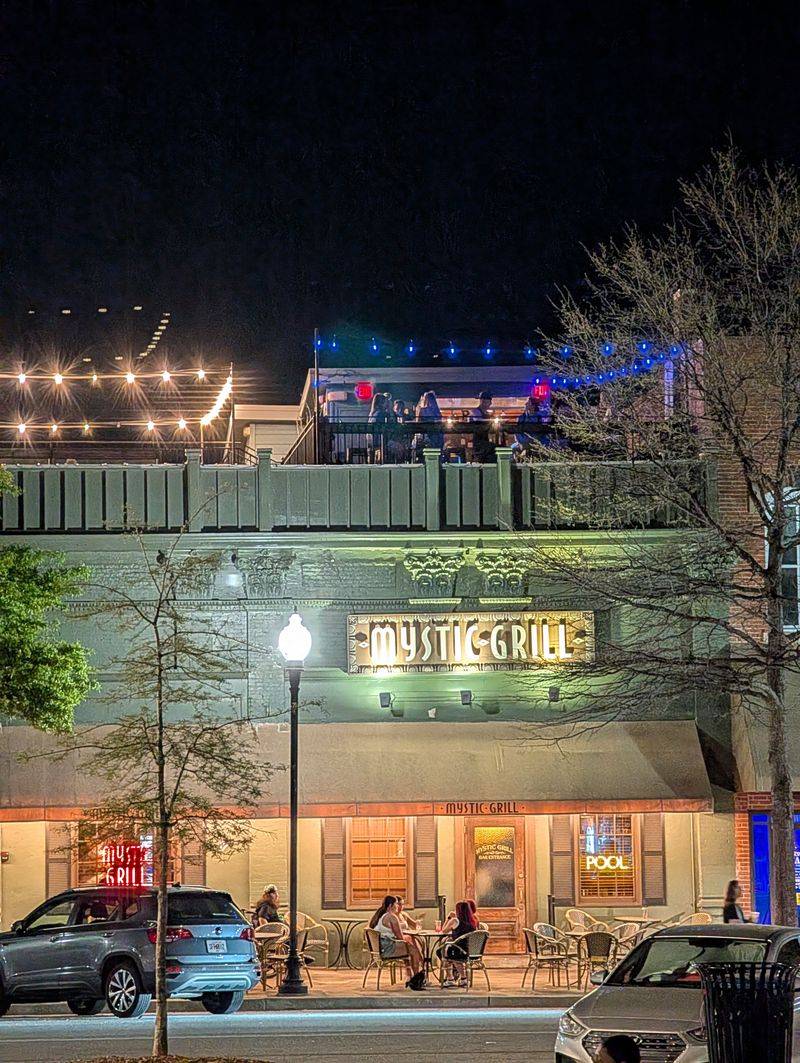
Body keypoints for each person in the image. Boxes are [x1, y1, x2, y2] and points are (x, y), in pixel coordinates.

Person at [370, 895, 425, 989]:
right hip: (387, 948)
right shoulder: (392, 917)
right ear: (391, 905)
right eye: (396, 904)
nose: (398, 906)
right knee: (414, 950)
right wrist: (409, 940)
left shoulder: (383, 916)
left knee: (411, 944)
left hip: (382, 947)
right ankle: (416, 979)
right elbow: (400, 937)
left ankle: (413, 976)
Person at [439, 900, 478, 987]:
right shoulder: (473, 922)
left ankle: (450, 978)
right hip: (469, 950)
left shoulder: (455, 921)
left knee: (443, 952)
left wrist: (448, 918)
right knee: (448, 950)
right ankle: (463, 979)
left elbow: (443, 930)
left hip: (457, 950)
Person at [413, 390, 444, 458]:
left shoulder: (422, 409)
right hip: (430, 435)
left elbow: (417, 422)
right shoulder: (435, 411)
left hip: (431, 435)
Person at [469, 389, 496, 462]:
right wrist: (491, 422)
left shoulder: (487, 414)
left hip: (485, 441)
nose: (489, 404)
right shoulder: (475, 412)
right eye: (487, 402)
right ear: (482, 401)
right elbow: (479, 422)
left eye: (489, 402)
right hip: (479, 443)